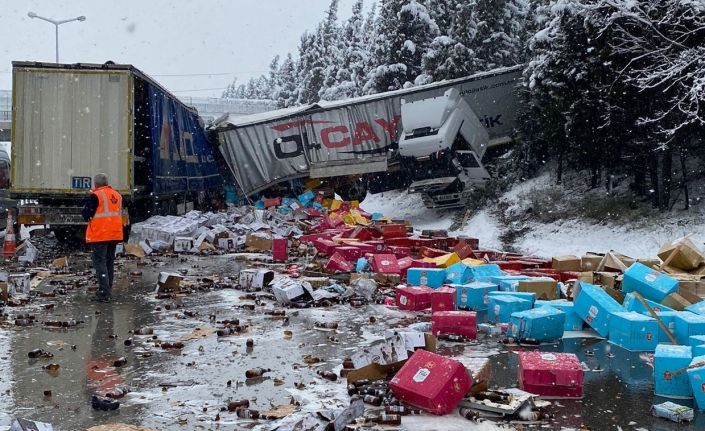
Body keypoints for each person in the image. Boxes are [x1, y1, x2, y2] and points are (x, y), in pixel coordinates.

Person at [82, 173, 123, 302]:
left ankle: (104, 293)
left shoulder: (95, 196)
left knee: (100, 262)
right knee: (109, 261)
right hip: (115, 234)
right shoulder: (117, 195)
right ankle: (107, 288)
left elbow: (86, 214)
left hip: (100, 234)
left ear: (96, 184)